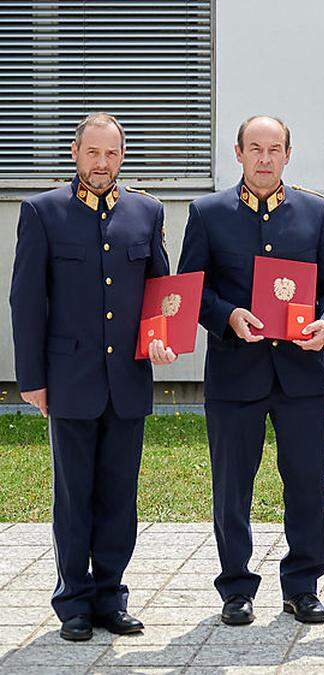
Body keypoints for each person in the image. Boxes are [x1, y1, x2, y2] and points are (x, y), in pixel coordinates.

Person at [177, 115, 324, 626]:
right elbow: (190, 290)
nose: (266, 158)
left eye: (275, 149)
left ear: (288, 154)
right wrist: (228, 315)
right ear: (239, 152)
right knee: (232, 486)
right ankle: (235, 587)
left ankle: (303, 585)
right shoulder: (208, 213)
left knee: (306, 483)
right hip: (235, 373)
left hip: (299, 373)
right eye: (256, 148)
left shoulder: (314, 212)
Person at [10, 113, 173, 641]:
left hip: (127, 376)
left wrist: (162, 336)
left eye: (111, 155)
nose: (101, 165)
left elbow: (160, 291)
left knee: (119, 495)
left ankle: (110, 596)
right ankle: (73, 601)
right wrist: (32, 379)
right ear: (75, 154)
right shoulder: (43, 212)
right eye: (92, 153)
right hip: (70, 378)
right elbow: (27, 301)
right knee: (74, 493)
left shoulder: (146, 212)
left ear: (121, 158)